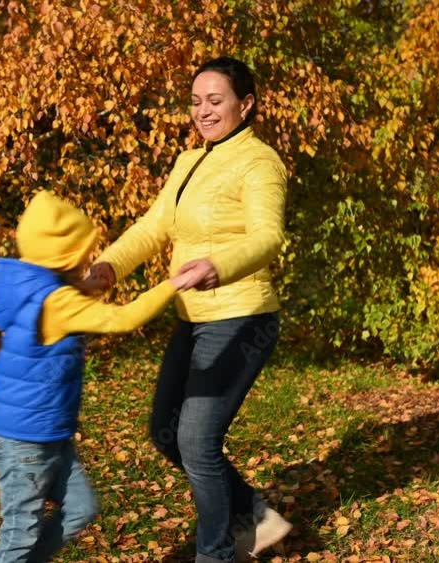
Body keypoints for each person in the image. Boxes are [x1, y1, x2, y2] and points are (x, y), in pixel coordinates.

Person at [85, 56, 291, 563]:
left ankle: (215, 555)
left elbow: (269, 237)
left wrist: (219, 266)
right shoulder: (189, 160)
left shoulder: (259, 162)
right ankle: (256, 518)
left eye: (216, 100)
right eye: (196, 102)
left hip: (242, 317)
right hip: (192, 316)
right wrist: (109, 267)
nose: (204, 111)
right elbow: (154, 227)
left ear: (246, 104)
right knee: (166, 433)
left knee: (197, 440)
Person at [0, 190, 198, 563]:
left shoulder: (22, 281)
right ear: (64, 255)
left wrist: (87, 287)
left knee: (80, 508)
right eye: (82, 253)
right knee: (20, 534)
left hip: (46, 432)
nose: (86, 259)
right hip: (26, 441)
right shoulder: (59, 303)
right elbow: (122, 318)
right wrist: (174, 284)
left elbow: (52, 294)